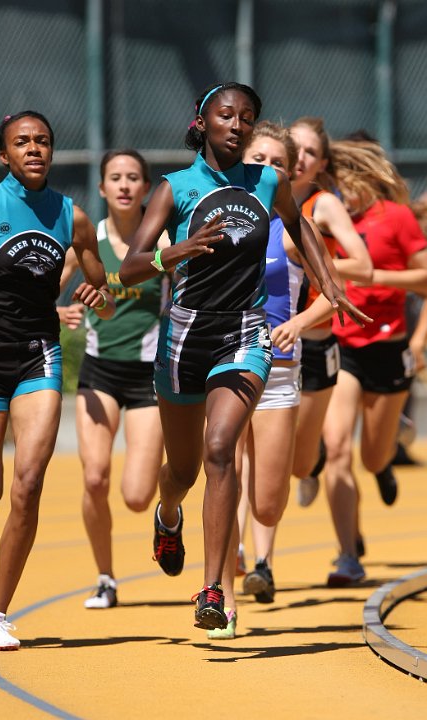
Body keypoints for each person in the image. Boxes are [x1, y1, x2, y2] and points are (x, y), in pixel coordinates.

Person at [119, 82, 369, 631]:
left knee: (219, 447)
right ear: (202, 120)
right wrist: (173, 252)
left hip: (245, 333)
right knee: (181, 471)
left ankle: (211, 590)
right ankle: (168, 517)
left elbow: (300, 224)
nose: (236, 124)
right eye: (226, 115)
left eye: (246, 117)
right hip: (183, 339)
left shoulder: (268, 181)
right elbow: (131, 266)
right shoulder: (175, 187)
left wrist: (330, 286)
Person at [0, 111, 115, 650]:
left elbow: (102, 295)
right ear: (4, 154)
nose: (34, 149)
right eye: (23, 142)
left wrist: (94, 296)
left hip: (40, 357)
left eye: (43, 142)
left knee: (29, 482)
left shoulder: (73, 216)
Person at [213, 119, 345, 637]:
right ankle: (221, 599)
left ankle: (252, 549)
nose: (268, 171)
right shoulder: (215, 217)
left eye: (278, 165)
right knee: (223, 473)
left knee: (267, 501)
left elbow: (334, 299)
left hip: (280, 370)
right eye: (259, 161)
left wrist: (297, 321)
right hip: (225, 365)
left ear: (291, 176)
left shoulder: (294, 232)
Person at [58, 149, 169, 609]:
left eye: (133, 178)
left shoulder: (162, 240)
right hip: (100, 373)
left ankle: (169, 514)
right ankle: (105, 577)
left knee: (138, 497)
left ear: (146, 188)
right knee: (96, 477)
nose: (124, 185)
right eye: (115, 178)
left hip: (149, 377)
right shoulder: (88, 239)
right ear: (102, 188)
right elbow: (41, 290)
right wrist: (57, 310)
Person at [322, 139, 427, 587]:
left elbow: (425, 277)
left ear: (362, 176)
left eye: (344, 181)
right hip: (341, 344)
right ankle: (349, 550)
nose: (340, 192)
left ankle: (384, 461)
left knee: (372, 454)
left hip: (389, 346)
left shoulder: (396, 218)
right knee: (337, 448)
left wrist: (368, 273)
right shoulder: (323, 216)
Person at [288, 117, 374, 508]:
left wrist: (314, 260)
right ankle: (247, 554)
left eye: (311, 152)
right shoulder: (257, 198)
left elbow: (364, 266)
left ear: (322, 163)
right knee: (245, 448)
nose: (300, 158)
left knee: (299, 462)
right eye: (295, 148)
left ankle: (314, 459)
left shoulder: (322, 205)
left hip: (314, 338)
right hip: (265, 335)